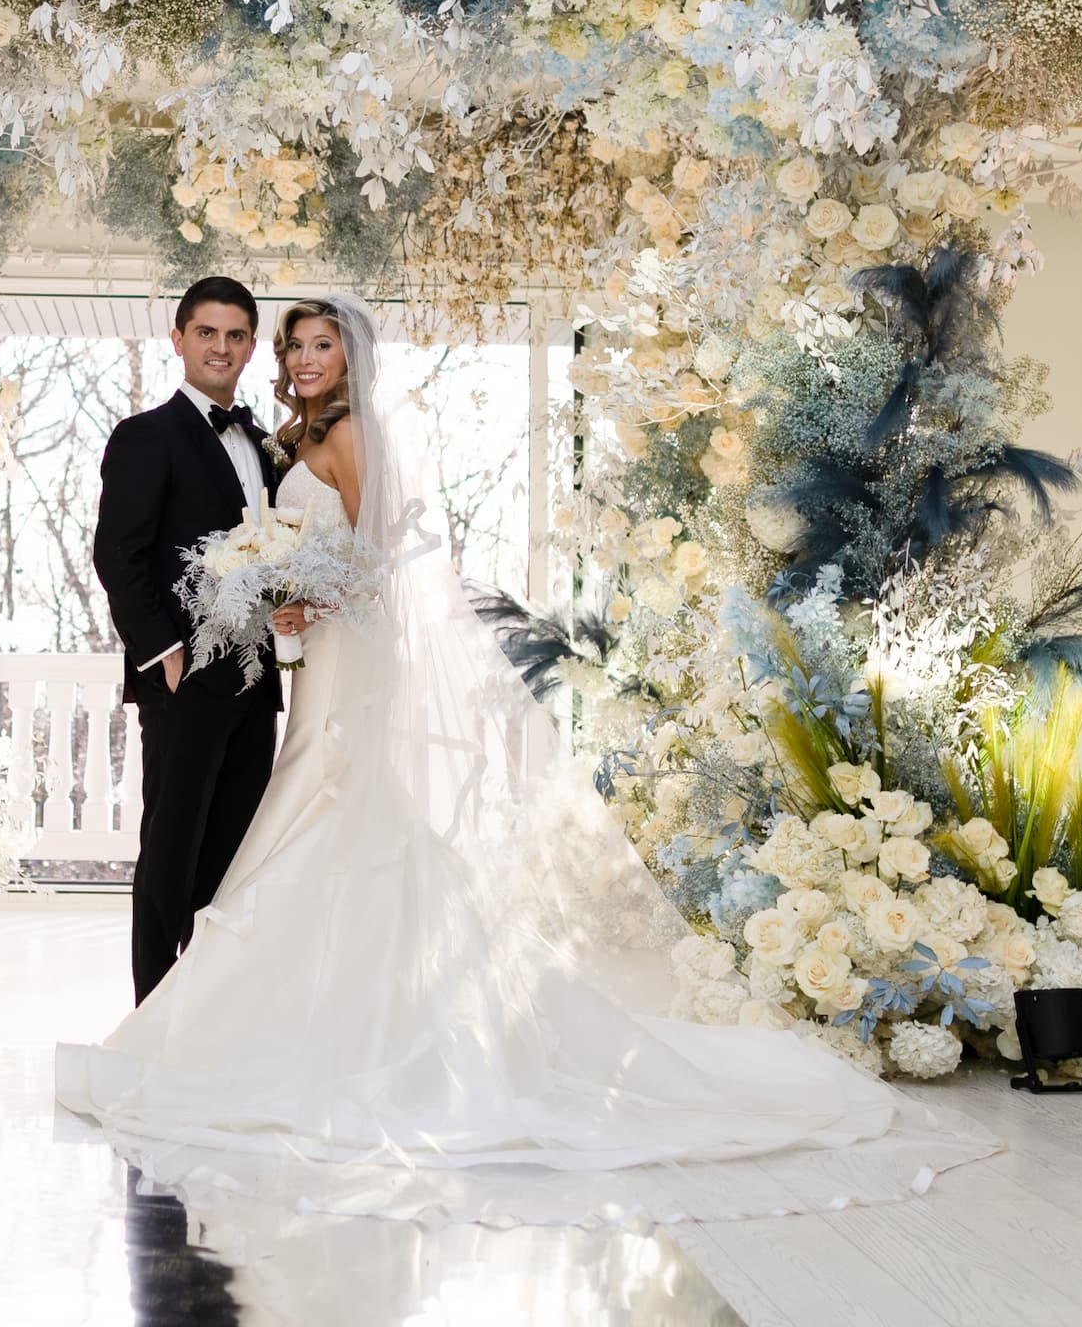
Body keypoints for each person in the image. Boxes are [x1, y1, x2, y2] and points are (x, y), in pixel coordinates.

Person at [61, 292, 999, 1229]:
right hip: (232, 678)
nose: (297, 357)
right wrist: (209, 630)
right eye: (290, 345)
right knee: (189, 856)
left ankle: (259, 1035)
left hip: (306, 674)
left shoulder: (331, 438)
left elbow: (377, 557)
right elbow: (129, 553)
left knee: (288, 838)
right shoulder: (227, 438)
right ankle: (169, 1027)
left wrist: (302, 592)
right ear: (185, 341)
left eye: (312, 344)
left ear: (342, 356)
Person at [92, 276, 285, 1004]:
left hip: (255, 682)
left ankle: (207, 1013)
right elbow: (120, 556)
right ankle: (153, 1014)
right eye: (207, 333)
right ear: (178, 340)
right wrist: (166, 657)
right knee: (169, 855)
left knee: (233, 857)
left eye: (236, 336)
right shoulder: (145, 437)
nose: (221, 348)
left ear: (250, 347)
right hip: (183, 682)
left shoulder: (267, 446)